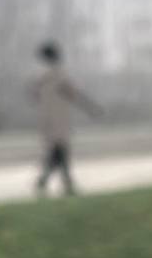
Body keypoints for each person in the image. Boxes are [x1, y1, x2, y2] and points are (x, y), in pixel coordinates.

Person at [30, 41, 100, 196]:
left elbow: (34, 97)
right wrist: (92, 108)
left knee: (58, 153)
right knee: (60, 152)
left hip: (47, 122)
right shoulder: (58, 75)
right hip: (58, 122)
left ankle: (57, 182)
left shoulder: (40, 78)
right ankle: (51, 182)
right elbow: (74, 94)